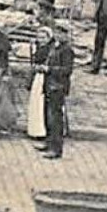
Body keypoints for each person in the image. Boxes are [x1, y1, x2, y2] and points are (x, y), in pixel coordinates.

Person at [34, 20, 75, 160]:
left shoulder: (67, 50)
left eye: (61, 33)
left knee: (55, 118)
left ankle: (56, 148)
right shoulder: (55, 47)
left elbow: (67, 70)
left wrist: (49, 69)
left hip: (58, 87)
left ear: (66, 35)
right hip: (49, 85)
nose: (58, 35)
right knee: (47, 115)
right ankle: (49, 142)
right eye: (56, 32)